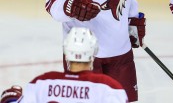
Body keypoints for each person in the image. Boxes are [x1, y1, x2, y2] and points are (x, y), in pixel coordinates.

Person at [0, 27, 128, 103]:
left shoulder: (42, 82)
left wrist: (11, 100)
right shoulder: (110, 87)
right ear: (93, 53)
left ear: (66, 52)